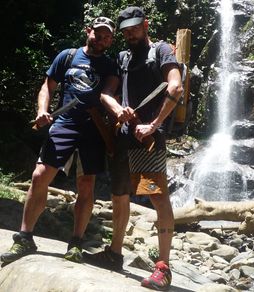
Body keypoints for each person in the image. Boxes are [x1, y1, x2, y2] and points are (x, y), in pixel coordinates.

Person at [0, 16, 117, 264]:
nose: (103, 40)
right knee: (39, 176)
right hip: (63, 123)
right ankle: (25, 238)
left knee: (86, 185)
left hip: (93, 128)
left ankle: (75, 244)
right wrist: (42, 110)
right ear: (89, 31)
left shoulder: (110, 65)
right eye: (99, 34)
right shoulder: (68, 56)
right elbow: (47, 86)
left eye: (108, 36)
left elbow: (111, 94)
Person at [83, 6, 183, 291]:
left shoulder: (161, 51)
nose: (130, 33)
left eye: (135, 28)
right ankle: (115, 254)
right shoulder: (123, 58)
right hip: (122, 140)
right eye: (126, 30)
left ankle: (163, 268)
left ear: (146, 25)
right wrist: (118, 111)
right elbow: (106, 94)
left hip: (146, 144)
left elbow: (175, 87)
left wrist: (153, 125)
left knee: (156, 197)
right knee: (118, 195)